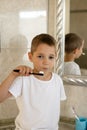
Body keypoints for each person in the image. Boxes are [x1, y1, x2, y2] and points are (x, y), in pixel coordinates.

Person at [0, 33, 66, 130]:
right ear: (30, 57)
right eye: (40, 56)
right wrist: (13, 75)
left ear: (55, 58)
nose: (46, 62)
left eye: (51, 57)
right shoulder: (23, 80)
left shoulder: (57, 80)